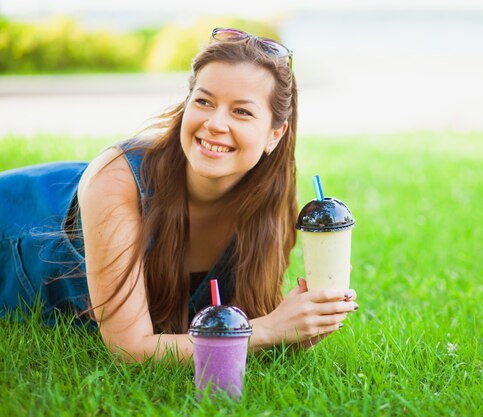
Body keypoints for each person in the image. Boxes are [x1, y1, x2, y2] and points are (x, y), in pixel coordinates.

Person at [0, 27, 358, 362]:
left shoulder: (268, 198)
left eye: (242, 111)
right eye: (204, 102)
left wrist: (302, 324)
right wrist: (266, 331)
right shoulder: (118, 179)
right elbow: (129, 348)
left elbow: (243, 318)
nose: (216, 123)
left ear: (275, 135)